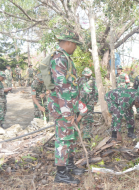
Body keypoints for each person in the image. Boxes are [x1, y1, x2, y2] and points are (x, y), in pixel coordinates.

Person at [47, 29, 85, 184]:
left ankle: (69, 165)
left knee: (71, 137)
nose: (75, 47)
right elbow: (61, 86)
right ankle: (61, 174)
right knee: (64, 138)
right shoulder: (59, 58)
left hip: (69, 106)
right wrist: (67, 111)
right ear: (68, 42)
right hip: (62, 107)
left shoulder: (66, 58)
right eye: (74, 44)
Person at [78, 67, 98, 142]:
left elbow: (95, 90)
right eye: (85, 75)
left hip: (90, 101)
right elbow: (78, 89)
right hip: (82, 101)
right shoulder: (81, 80)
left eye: (88, 75)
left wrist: (95, 100)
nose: (87, 76)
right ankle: (83, 132)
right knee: (82, 116)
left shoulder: (93, 80)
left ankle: (88, 134)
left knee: (89, 117)